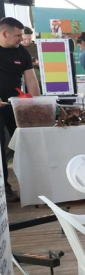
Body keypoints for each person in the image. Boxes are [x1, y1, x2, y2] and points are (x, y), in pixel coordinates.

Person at [0, 17, 39, 199]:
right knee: (1, 148)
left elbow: (31, 79)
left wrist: (36, 105)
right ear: (4, 33)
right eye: (17, 35)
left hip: (17, 106)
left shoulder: (22, 51)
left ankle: (33, 185)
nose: (21, 39)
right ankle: (4, 189)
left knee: (25, 144)